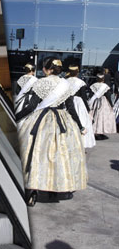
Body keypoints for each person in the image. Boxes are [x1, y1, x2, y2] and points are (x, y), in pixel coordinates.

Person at [16, 57, 87, 206]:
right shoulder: (65, 84)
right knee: (60, 155)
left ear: (47, 69)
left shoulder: (41, 83)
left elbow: (31, 107)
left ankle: (32, 191)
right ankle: (55, 187)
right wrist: (80, 126)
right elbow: (71, 108)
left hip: (41, 120)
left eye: (43, 67)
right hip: (62, 120)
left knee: (36, 154)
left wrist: (16, 117)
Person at [66, 65, 95, 149]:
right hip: (78, 103)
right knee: (81, 120)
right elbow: (83, 96)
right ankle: (80, 143)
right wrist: (88, 109)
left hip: (67, 102)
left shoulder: (65, 81)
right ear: (77, 72)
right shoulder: (80, 82)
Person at [88, 70, 116, 139]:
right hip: (103, 102)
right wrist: (111, 104)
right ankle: (100, 131)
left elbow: (91, 95)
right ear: (103, 79)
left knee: (95, 116)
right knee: (102, 117)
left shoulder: (93, 85)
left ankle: (94, 131)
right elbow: (108, 96)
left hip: (95, 102)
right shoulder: (105, 86)